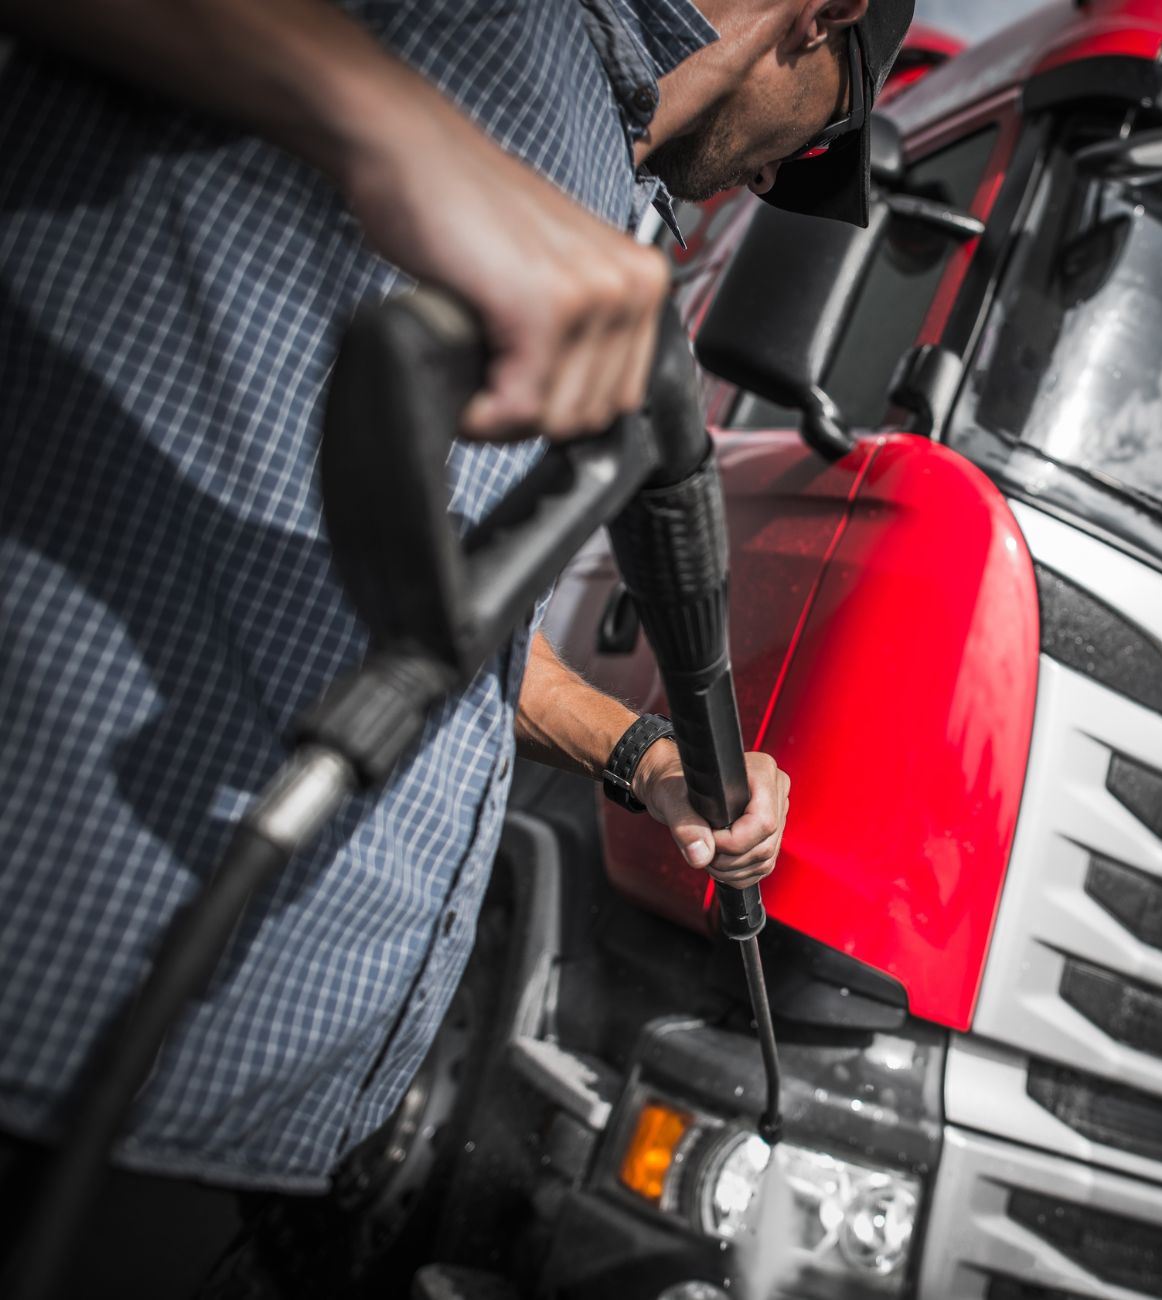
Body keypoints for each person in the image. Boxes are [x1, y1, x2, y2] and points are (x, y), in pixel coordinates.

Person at [0, 0, 914, 1292]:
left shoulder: (617, 189)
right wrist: (395, 129)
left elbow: (453, 611)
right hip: (67, 997)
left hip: (248, 1097)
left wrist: (649, 755)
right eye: (812, 146)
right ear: (824, 17)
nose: (775, 177)